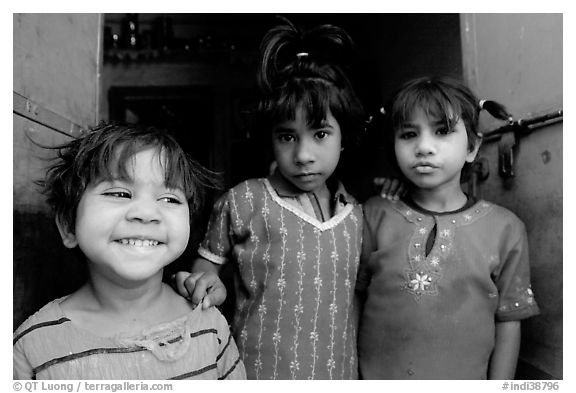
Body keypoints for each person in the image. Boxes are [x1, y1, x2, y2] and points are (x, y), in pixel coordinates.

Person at [175, 19, 366, 380]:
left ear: (344, 137)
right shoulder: (243, 201)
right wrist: (201, 285)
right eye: (287, 136)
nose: (304, 154)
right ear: (270, 139)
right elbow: (205, 275)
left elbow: (354, 301)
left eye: (320, 133)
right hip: (254, 372)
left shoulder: (355, 214)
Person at [13, 123, 246, 380]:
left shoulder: (208, 322)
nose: (146, 214)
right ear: (69, 225)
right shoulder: (32, 346)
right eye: (120, 193)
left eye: (170, 199)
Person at [356, 76, 540, 380]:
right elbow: (355, 301)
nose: (424, 147)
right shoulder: (373, 214)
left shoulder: (506, 229)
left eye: (442, 131)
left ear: (473, 146)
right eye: (409, 134)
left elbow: (508, 320)